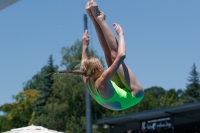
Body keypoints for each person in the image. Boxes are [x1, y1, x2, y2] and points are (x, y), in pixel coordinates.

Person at [62, 0, 144, 111]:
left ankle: (95, 18)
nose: (103, 66)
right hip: (134, 95)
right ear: (98, 68)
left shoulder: (88, 78)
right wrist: (120, 35)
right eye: (101, 64)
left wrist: (84, 46)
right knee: (114, 57)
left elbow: (83, 65)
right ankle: (100, 18)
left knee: (108, 56)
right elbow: (121, 55)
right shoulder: (102, 80)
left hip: (119, 95)